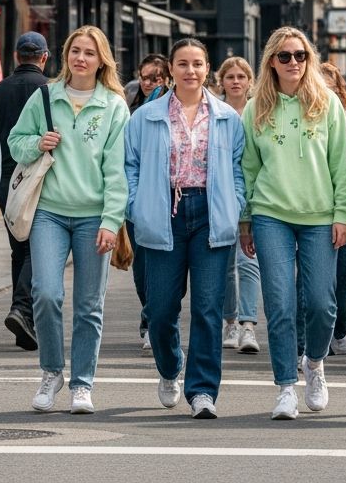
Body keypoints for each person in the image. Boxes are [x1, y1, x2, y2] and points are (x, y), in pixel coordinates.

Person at [8, 25, 130, 414]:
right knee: (45, 293)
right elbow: (14, 141)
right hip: (49, 212)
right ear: (65, 55)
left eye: (89, 53)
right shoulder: (46, 95)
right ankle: (51, 372)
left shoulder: (114, 105)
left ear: (101, 60)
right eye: (75, 50)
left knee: (89, 304)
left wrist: (112, 220)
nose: (81, 58)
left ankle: (82, 383)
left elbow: (118, 171)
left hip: (94, 215)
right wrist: (36, 143)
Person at [126, 38, 246, 419]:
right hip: (163, 213)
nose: (190, 71)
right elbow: (128, 166)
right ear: (171, 70)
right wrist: (136, 205)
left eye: (197, 64)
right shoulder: (146, 115)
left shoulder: (227, 116)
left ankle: (202, 391)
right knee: (160, 309)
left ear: (207, 68)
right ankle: (168, 368)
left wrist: (235, 206)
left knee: (208, 308)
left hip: (211, 213)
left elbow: (241, 171)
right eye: (183, 64)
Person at [239, 27, 346, 421]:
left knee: (322, 304)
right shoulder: (255, 108)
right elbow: (248, 169)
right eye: (285, 56)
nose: (293, 63)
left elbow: (342, 164)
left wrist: (342, 214)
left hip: (321, 217)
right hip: (271, 215)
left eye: (300, 55)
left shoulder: (328, 105)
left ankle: (315, 363)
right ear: (271, 61)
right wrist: (246, 219)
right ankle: (286, 385)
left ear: (310, 60)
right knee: (280, 302)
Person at [0, 31, 51, 351]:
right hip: (39, 175)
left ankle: (22, 316)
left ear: (16, 56)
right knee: (37, 249)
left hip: (5, 179)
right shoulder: (50, 91)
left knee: (19, 247)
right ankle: (23, 311)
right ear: (44, 57)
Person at [216, 56, 262, 355]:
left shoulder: (259, 111)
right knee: (226, 265)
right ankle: (230, 321)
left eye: (241, 76)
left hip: (254, 195)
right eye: (230, 76)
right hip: (221, 194)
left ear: (249, 81)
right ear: (222, 81)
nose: (235, 81)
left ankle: (248, 325)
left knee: (249, 262)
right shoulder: (215, 112)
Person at [126, 52, 169, 348]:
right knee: (141, 269)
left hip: (169, 200)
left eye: (156, 77)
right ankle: (148, 315)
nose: (149, 82)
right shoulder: (132, 109)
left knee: (165, 269)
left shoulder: (171, 108)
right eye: (144, 77)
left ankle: (158, 321)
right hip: (138, 201)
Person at [319, 62, 346, 357]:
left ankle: (340, 324)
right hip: (314, 205)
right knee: (316, 277)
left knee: (345, 272)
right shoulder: (307, 117)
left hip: (345, 203)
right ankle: (321, 329)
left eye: (330, 86)